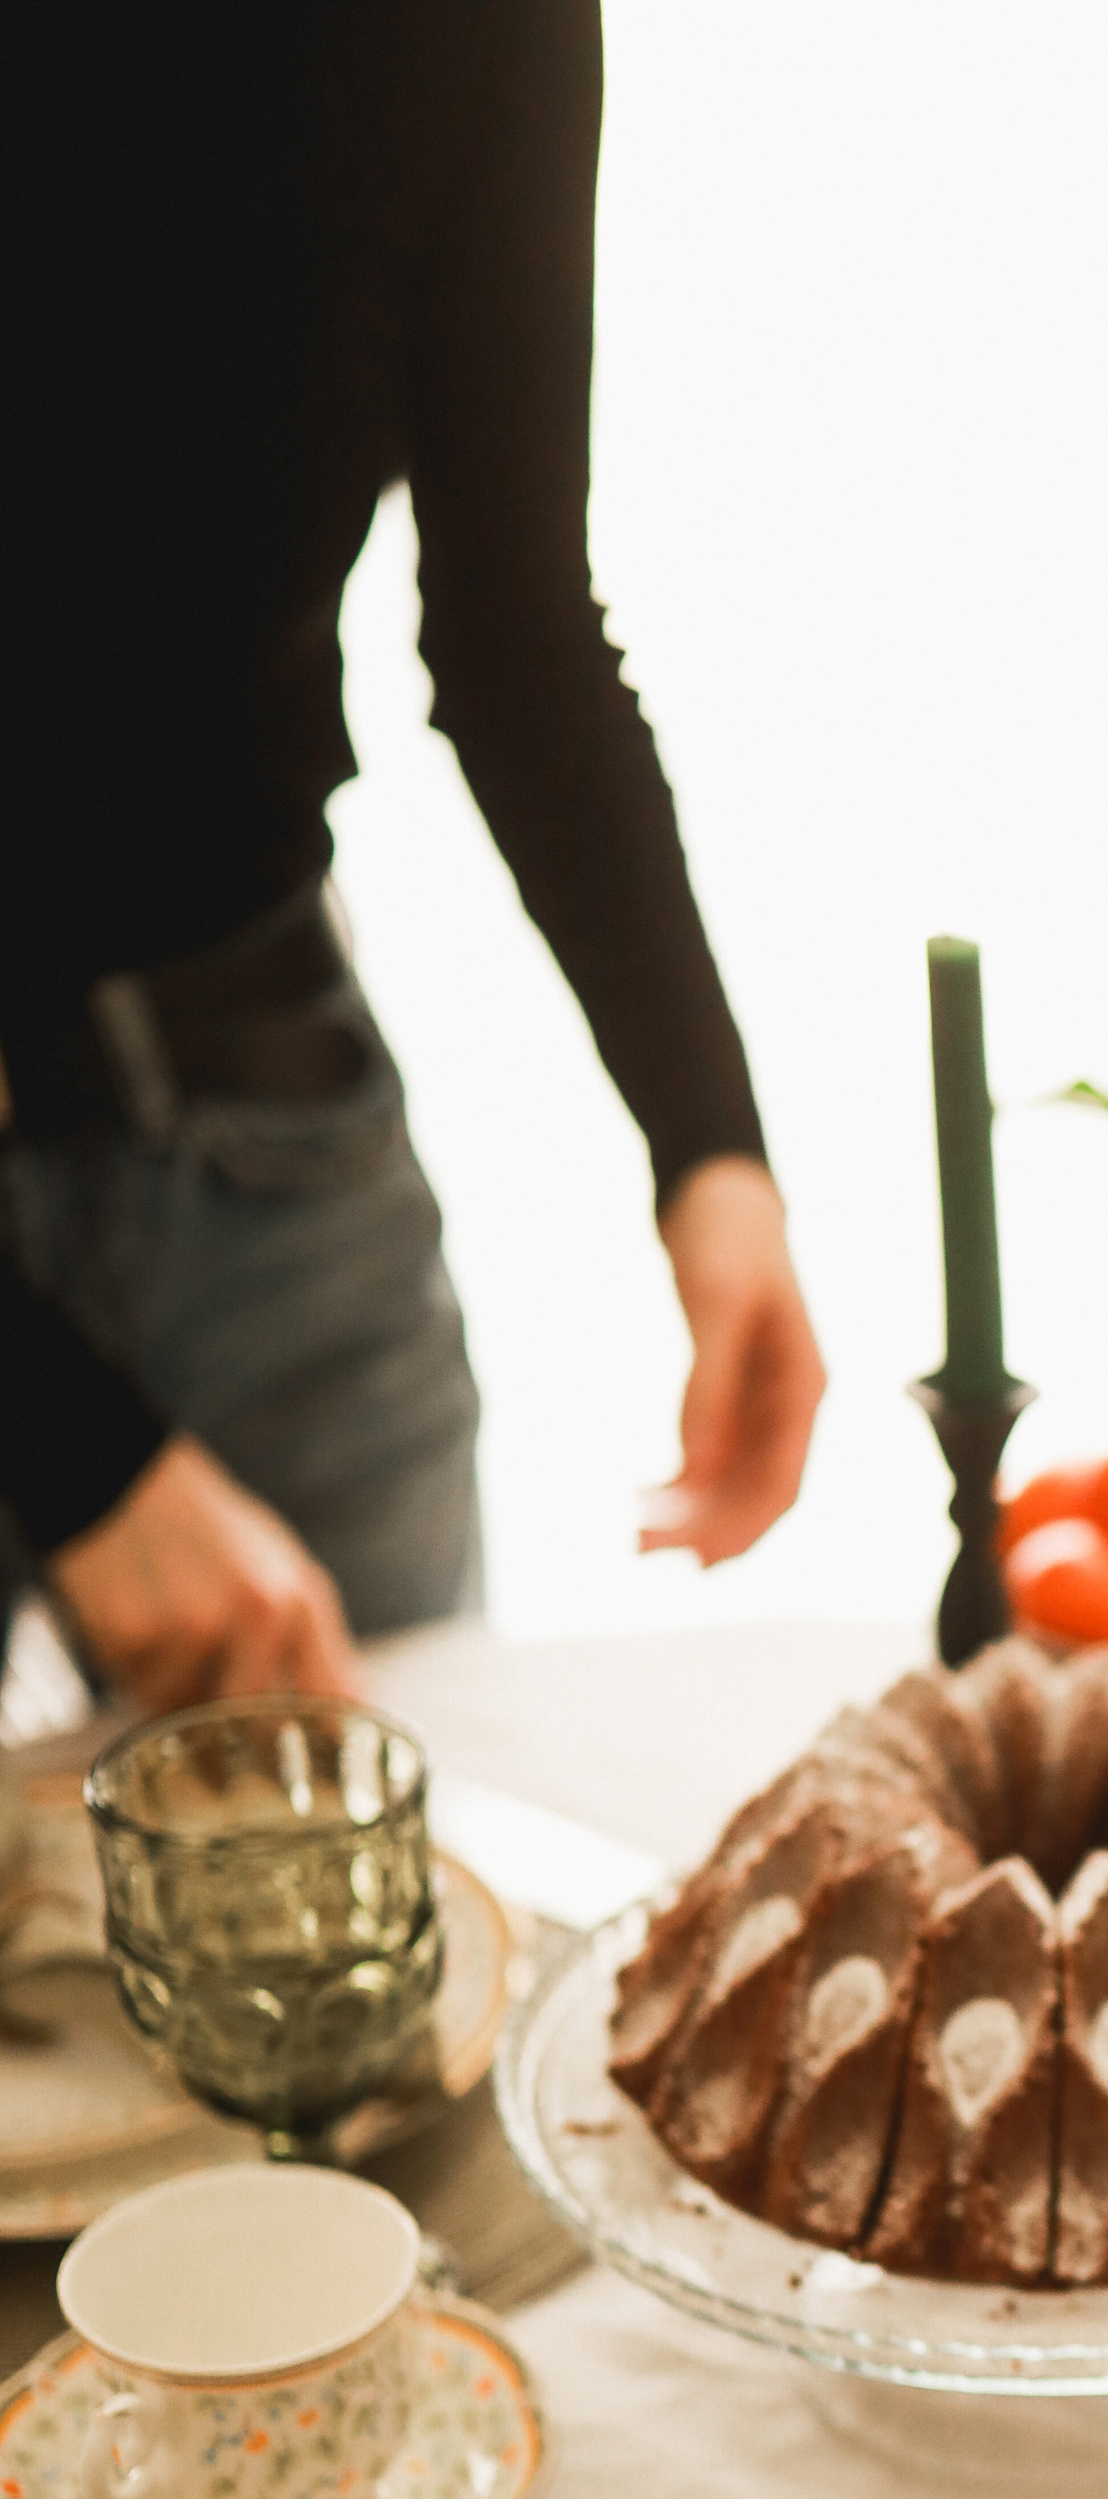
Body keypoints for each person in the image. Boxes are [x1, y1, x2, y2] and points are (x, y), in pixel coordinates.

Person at [0, 2, 826, 1710]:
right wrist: (70, 1451)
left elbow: (516, 634)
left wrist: (711, 1154)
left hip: (272, 1145)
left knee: (406, 1907)